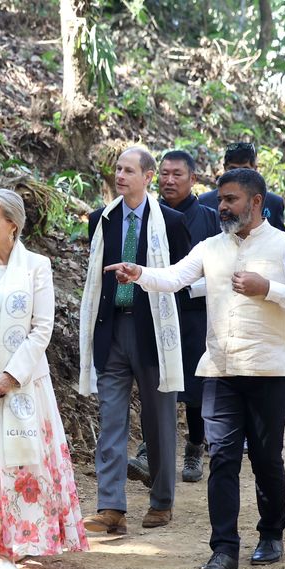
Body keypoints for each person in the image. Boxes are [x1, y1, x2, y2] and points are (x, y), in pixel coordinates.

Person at [105, 169, 285, 569]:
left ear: (256, 202)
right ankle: (223, 550)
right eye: (221, 199)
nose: (221, 206)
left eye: (231, 199)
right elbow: (174, 278)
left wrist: (268, 289)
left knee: (265, 459)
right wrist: (140, 274)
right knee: (222, 458)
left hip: (268, 370)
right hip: (219, 370)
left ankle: (271, 533)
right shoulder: (210, 247)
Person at [0, 189, 88, 569]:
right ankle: (3, 548)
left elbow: (41, 327)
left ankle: (26, 538)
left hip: (23, 386)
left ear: (13, 224)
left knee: (23, 462)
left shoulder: (36, 267)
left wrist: (12, 374)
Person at [77, 147, 191, 534]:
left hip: (154, 333)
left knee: (159, 421)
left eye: (129, 170)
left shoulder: (171, 223)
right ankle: (111, 508)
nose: (120, 176)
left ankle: (161, 501)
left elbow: (182, 279)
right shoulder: (101, 220)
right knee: (110, 419)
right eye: (117, 169)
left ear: (148, 176)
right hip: (111, 330)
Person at [156, 149, 221, 483]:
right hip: (156, 307)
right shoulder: (151, 213)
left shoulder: (210, 217)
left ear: (193, 179)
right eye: (164, 173)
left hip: (196, 310)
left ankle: (195, 445)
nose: (169, 180)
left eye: (177, 174)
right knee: (157, 377)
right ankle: (152, 448)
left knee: (195, 383)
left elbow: (221, 266)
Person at [199, 142, 285, 231]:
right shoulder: (205, 202)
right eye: (233, 169)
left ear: (255, 169)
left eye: (245, 169)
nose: (238, 176)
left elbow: (279, 240)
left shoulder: (273, 203)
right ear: (224, 168)